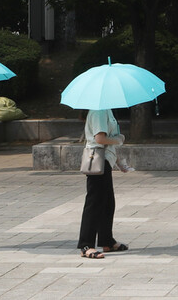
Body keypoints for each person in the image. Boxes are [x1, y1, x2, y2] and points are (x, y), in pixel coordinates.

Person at [79, 109, 129, 259]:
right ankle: (86, 245)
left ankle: (106, 240)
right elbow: (100, 139)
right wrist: (119, 139)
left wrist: (119, 161)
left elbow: (107, 142)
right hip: (98, 160)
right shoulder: (99, 110)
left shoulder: (107, 110)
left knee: (107, 203)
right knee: (94, 203)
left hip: (105, 160)